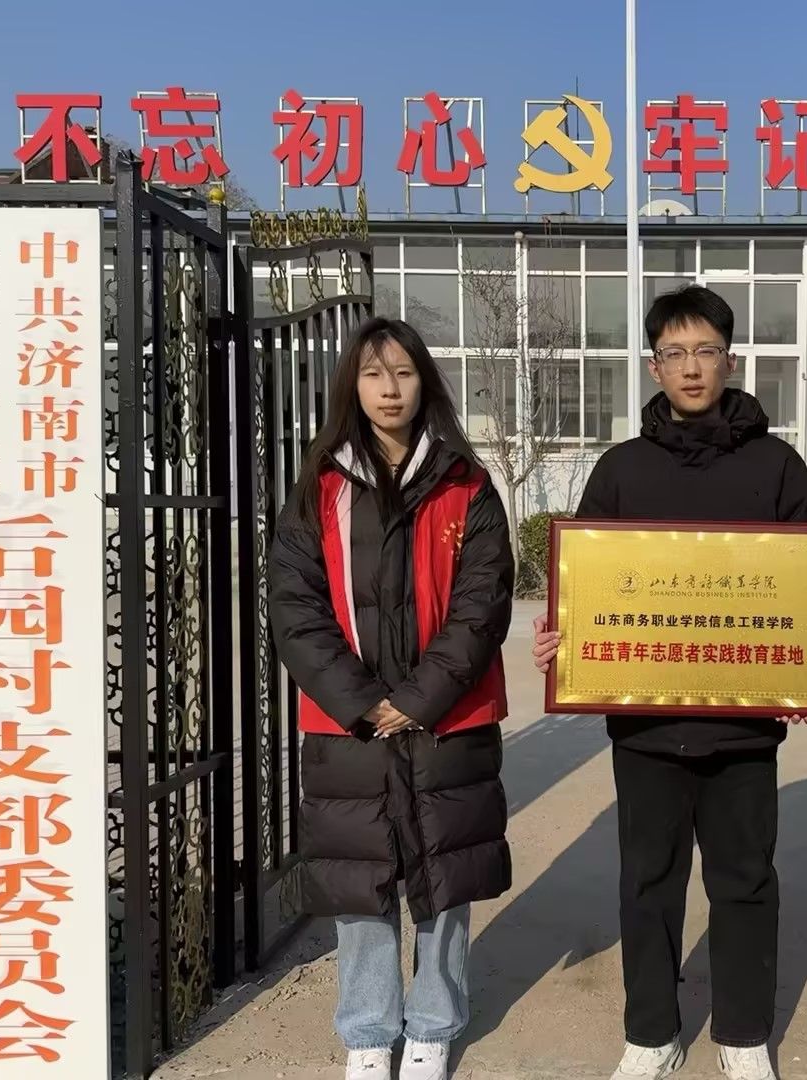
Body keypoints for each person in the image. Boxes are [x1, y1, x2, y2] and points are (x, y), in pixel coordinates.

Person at [531, 285, 807, 1080]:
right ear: (654, 366)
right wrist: (563, 641)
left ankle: (743, 1033)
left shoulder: (776, 465)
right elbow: (585, 587)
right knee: (648, 883)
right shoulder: (622, 469)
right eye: (675, 353)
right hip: (645, 726)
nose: (691, 367)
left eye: (706, 351)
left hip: (743, 728)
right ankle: (651, 1032)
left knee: (745, 881)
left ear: (730, 360)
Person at [269, 318, 514, 1080]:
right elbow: (294, 606)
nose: (389, 389)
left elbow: (484, 605)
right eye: (374, 374)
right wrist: (362, 701)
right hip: (352, 729)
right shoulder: (320, 488)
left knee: (444, 875)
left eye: (403, 373)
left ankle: (435, 1024)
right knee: (360, 880)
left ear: (424, 383)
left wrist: (418, 698)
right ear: (353, 385)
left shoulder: (467, 486)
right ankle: (370, 1032)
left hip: (447, 720)